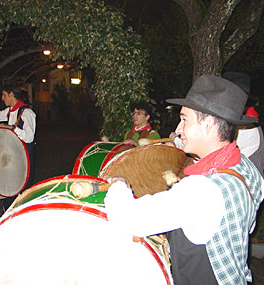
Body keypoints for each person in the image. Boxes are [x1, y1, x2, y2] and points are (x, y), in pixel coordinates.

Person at [105, 75, 264, 284]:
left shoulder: (200, 190)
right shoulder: (244, 166)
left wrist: (119, 184)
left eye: (184, 120)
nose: (178, 129)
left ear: (208, 124)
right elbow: (246, 227)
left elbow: (128, 218)